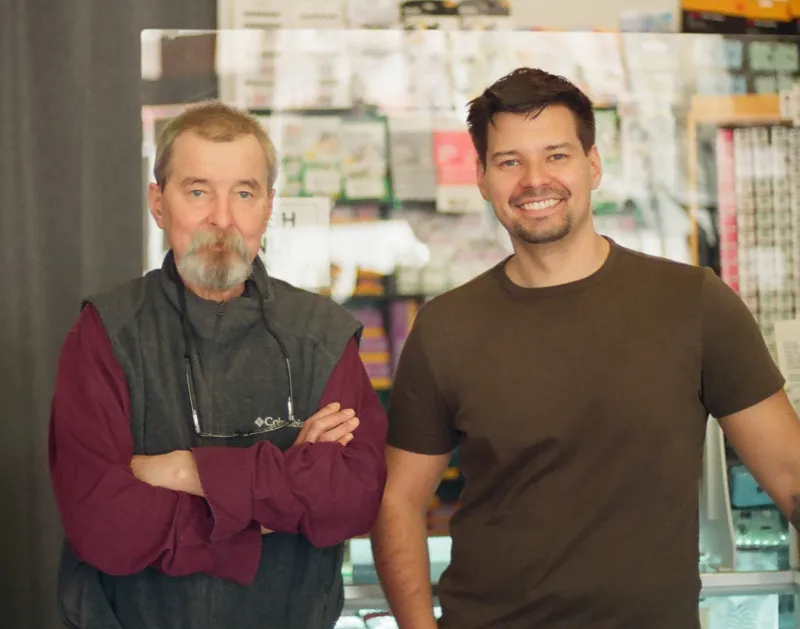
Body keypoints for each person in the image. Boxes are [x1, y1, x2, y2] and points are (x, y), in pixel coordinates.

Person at [370, 67, 800, 629]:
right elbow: (397, 501)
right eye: (509, 162)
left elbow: (790, 475)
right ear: (481, 178)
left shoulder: (693, 303)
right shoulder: (446, 326)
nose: (533, 180)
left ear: (592, 165)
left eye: (556, 155)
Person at [49, 101, 388, 629]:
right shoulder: (106, 332)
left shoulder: (321, 332)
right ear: (158, 203)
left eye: (245, 193)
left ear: (269, 207)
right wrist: (278, 498)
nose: (222, 218)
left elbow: (351, 498)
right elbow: (102, 522)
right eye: (198, 191)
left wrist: (186, 471)